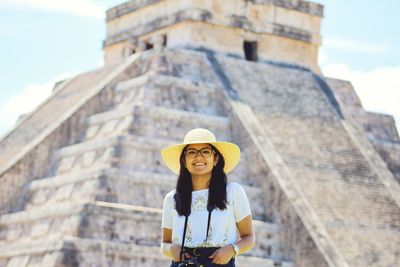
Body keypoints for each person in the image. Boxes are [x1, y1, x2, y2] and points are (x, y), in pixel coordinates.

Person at [160, 128, 256, 267]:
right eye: (192, 152)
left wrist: (231, 250)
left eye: (205, 151)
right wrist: (171, 249)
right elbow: (165, 243)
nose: (199, 157)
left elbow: (249, 237)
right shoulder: (172, 198)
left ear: (215, 159)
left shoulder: (233, 191)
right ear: (184, 161)